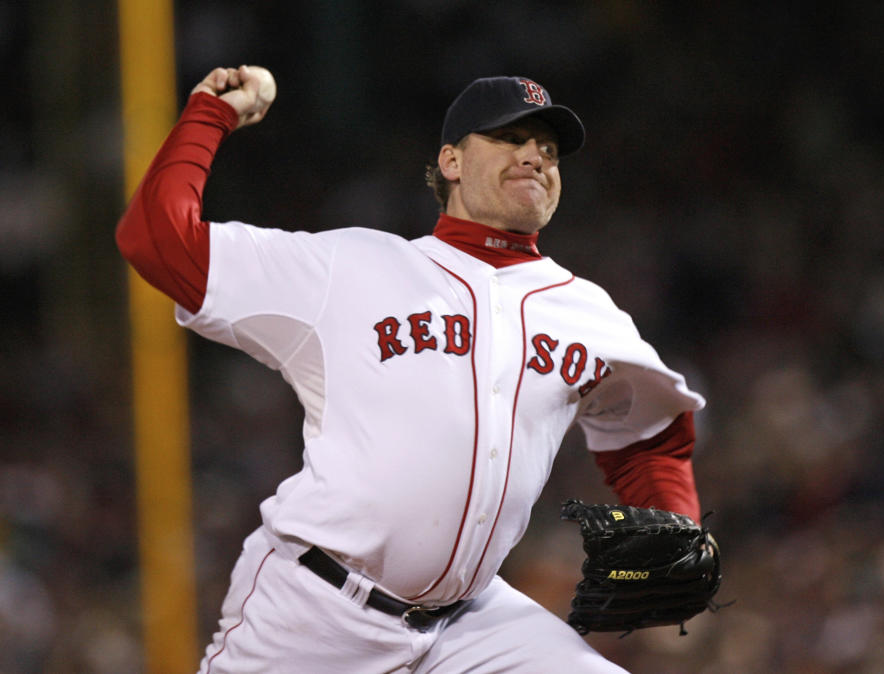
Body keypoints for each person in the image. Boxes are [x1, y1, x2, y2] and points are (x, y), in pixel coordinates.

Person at [116, 65, 708, 673]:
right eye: (510, 138)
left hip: (471, 623)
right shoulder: (350, 267)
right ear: (450, 161)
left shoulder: (588, 313)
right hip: (317, 612)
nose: (536, 156)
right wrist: (210, 115)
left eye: (549, 149)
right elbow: (156, 238)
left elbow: (649, 435)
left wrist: (675, 525)